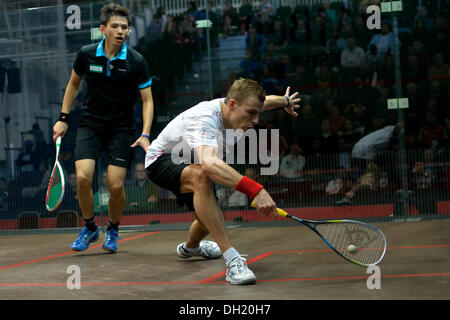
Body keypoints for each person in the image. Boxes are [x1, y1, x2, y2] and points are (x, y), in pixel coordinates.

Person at [145, 78, 300, 285]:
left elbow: (266, 103)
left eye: (258, 113)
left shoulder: (238, 110)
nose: (255, 121)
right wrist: (256, 190)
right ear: (233, 104)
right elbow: (209, 164)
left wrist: (285, 101)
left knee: (207, 221)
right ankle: (232, 260)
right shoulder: (205, 118)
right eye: (251, 113)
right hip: (161, 160)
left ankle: (190, 248)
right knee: (202, 176)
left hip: (192, 163)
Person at [52, 4, 154, 253]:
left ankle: (114, 229)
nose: (120, 31)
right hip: (91, 124)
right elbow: (73, 85)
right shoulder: (87, 54)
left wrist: (145, 133)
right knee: (84, 177)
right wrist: (63, 118)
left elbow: (147, 100)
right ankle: (89, 228)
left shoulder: (136, 61)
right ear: (103, 29)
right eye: (115, 26)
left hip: (121, 128)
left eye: (124, 27)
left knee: (116, 185)